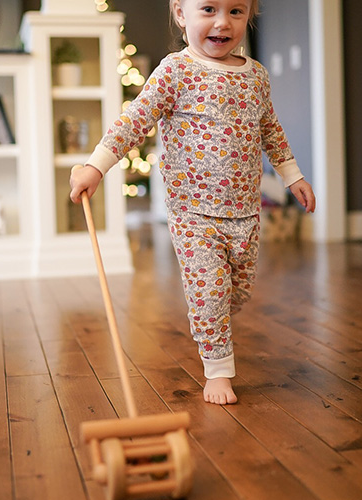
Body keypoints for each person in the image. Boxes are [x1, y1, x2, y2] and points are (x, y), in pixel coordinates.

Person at [70, 0, 316, 405]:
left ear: (250, 15)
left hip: (244, 210)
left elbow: (271, 129)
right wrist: (96, 166)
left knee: (238, 291)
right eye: (208, 9)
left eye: (236, 11)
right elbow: (135, 120)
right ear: (181, 13)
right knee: (212, 289)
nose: (222, 22)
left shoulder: (255, 76)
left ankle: (209, 318)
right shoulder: (175, 71)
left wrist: (293, 177)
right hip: (192, 212)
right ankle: (218, 369)